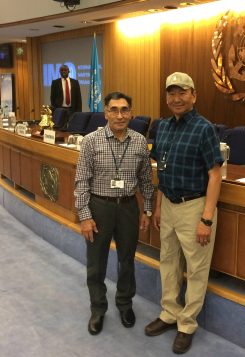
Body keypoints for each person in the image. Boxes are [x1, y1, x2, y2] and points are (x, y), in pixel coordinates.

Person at [145, 72, 223, 354]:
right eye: (171, 94)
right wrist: (157, 206)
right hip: (168, 205)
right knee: (168, 262)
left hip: (194, 208)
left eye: (182, 93)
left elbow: (215, 175)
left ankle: (187, 324)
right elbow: (162, 169)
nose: (176, 99)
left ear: (194, 95)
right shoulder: (163, 127)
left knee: (196, 269)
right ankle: (169, 313)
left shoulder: (204, 129)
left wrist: (206, 218)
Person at [75, 91, 154, 335]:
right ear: (106, 112)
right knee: (96, 263)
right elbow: (81, 182)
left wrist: (148, 209)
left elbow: (146, 181)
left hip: (129, 207)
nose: (119, 115)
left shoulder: (140, 141)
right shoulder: (91, 141)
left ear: (131, 113)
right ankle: (98, 309)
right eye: (114, 110)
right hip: (99, 207)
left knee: (126, 261)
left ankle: (124, 304)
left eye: (124, 110)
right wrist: (85, 216)